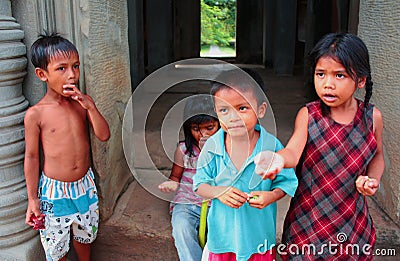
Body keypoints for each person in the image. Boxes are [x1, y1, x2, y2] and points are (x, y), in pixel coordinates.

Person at [255, 33, 385, 260]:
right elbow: (293, 151)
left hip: (351, 223)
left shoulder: (372, 118)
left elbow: (378, 156)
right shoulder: (309, 115)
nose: (328, 84)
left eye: (340, 75)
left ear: (361, 80)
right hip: (308, 222)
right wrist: (278, 159)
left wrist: (372, 179)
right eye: (321, 74)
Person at [193, 69, 298, 261]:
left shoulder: (272, 146)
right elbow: (200, 185)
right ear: (216, 112)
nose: (233, 118)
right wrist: (219, 192)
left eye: (242, 108)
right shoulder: (212, 147)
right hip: (222, 240)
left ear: (261, 110)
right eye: (224, 110)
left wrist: (271, 196)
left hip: (258, 240)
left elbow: (286, 182)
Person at [24, 33, 110, 261]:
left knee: (85, 237)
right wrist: (32, 200)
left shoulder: (82, 104)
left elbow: (103, 135)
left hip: (85, 187)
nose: (72, 75)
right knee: (56, 245)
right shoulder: (36, 114)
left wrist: (90, 107)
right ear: (42, 74)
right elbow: (32, 157)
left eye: (76, 66)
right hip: (55, 193)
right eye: (61, 68)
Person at [158, 95, 220, 261]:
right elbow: (175, 176)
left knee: (222, 234)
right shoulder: (183, 150)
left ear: (220, 124)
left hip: (218, 205)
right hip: (188, 202)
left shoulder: (227, 149)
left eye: (209, 128)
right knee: (181, 228)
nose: (202, 134)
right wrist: (172, 184)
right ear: (187, 128)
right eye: (195, 129)